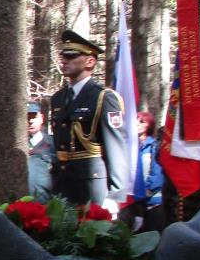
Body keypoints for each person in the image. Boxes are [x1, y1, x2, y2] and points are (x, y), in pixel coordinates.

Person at [50, 30, 131, 211]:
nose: (64, 60)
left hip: (91, 186)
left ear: (90, 61)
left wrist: (115, 195)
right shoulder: (58, 98)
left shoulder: (103, 97)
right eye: (63, 56)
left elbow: (116, 148)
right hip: (62, 184)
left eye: (71, 56)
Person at [26, 102, 54, 199]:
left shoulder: (52, 143)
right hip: (18, 202)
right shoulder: (13, 145)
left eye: (34, 117)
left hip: (45, 202)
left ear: (41, 118)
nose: (30, 121)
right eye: (27, 117)